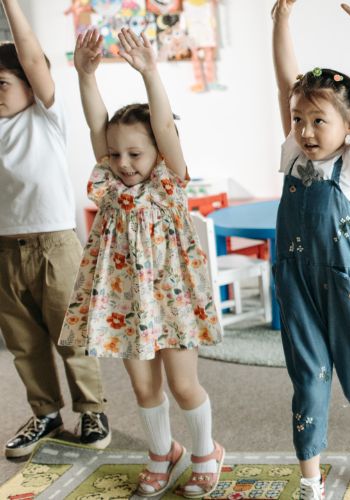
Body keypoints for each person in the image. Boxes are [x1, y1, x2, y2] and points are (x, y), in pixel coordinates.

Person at [58, 27, 224, 498]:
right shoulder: (110, 184)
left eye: (136, 153)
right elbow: (97, 127)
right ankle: (161, 453)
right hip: (124, 301)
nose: (124, 162)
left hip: (171, 299)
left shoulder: (168, 183)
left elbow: (166, 127)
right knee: (143, 387)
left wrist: (151, 71)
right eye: (117, 154)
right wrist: (85, 75)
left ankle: (205, 452)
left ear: (157, 152)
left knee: (183, 384)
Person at [270, 0, 350, 497]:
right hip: (296, 282)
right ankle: (310, 479)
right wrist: (280, 20)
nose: (305, 130)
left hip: (345, 286)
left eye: (318, 121)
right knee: (307, 377)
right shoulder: (291, 154)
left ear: (349, 125)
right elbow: (286, 83)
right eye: (299, 120)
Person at [0, 0, 110, 459]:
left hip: (55, 245)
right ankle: (45, 413)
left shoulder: (47, 118)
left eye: (2, 84)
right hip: (5, 251)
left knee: (72, 335)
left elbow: (29, 54)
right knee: (23, 342)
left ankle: (92, 409)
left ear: (30, 84)